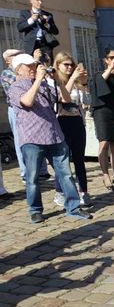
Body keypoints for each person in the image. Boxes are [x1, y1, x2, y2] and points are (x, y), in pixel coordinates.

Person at [7, 54, 92, 222]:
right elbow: (27, 102)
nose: (34, 68)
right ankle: (35, 210)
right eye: (30, 66)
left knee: (66, 175)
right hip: (32, 138)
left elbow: (65, 100)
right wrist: (38, 80)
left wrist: (58, 81)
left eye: (35, 65)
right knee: (32, 178)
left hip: (54, 135)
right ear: (19, 69)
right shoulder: (16, 87)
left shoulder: (45, 85)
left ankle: (73, 207)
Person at [3, 49, 51, 182]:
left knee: (40, 138)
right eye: (15, 56)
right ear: (8, 60)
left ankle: (42, 171)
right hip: (17, 109)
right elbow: (23, 83)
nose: (19, 56)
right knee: (22, 141)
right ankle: (26, 173)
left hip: (36, 106)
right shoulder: (7, 73)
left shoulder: (30, 70)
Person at [51, 51, 91, 207]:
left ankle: (84, 191)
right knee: (63, 159)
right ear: (58, 65)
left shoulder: (77, 82)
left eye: (71, 64)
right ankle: (60, 191)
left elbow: (87, 101)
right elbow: (62, 98)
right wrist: (73, 78)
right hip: (62, 121)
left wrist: (84, 83)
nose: (69, 67)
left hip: (77, 121)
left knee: (80, 158)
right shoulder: (54, 81)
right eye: (65, 64)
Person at [90, 47, 114, 191]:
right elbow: (100, 83)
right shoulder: (99, 74)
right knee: (104, 142)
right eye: (112, 57)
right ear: (106, 60)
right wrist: (111, 68)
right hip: (102, 112)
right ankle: (105, 174)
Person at [16, 0, 59, 64]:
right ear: (31, 1)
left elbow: (56, 31)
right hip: (31, 45)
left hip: (45, 44)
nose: (40, 3)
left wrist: (47, 24)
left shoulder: (48, 15)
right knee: (32, 65)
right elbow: (20, 28)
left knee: (46, 66)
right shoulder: (25, 13)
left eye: (41, 1)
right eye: (37, 0)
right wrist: (31, 20)